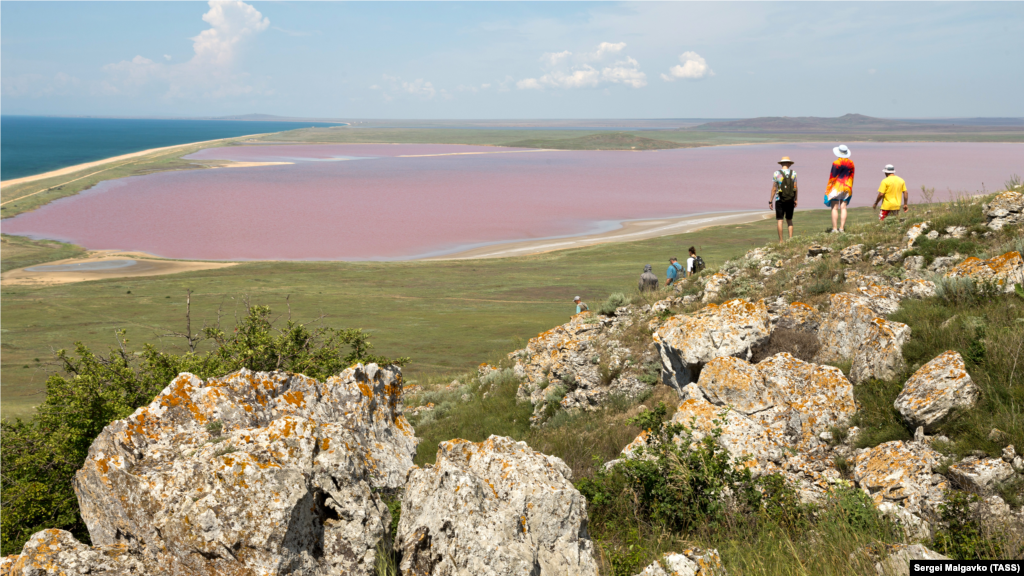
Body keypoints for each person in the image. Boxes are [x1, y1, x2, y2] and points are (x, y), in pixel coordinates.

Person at [825, 144, 855, 233]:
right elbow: (852, 176)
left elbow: (832, 177)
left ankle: (834, 229)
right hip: (847, 186)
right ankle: (841, 228)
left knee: (834, 208)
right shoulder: (851, 163)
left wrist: (828, 189)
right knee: (843, 208)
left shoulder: (836, 163)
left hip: (837, 187)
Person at [769, 156, 798, 242]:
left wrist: (770, 200)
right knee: (789, 220)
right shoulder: (794, 173)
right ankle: (790, 239)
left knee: (780, 220)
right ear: (789, 164)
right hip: (790, 199)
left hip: (779, 199)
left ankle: (781, 241)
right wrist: (795, 199)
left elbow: (774, 188)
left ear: (781, 164)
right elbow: (795, 187)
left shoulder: (776, 173)